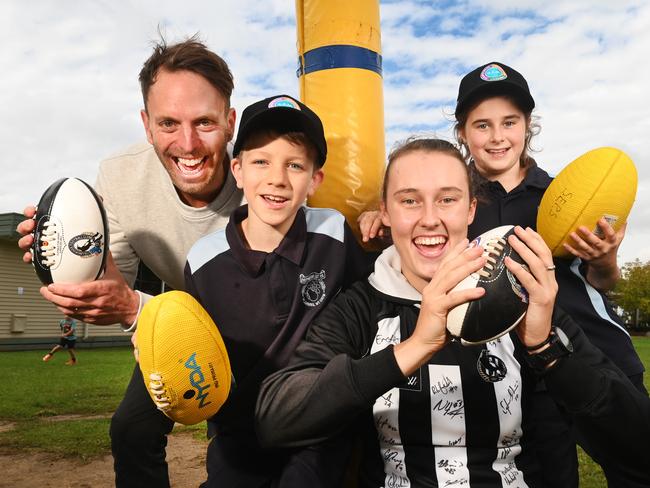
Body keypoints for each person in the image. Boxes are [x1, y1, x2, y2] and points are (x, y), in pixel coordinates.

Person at [256, 138, 650, 488]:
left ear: (471, 210)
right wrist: (416, 346)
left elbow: (636, 447)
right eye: (409, 200)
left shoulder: (521, 297)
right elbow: (277, 419)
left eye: (448, 199)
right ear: (386, 212)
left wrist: (546, 349)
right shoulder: (361, 307)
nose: (430, 218)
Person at [358, 62, 647, 486]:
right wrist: (380, 215)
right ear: (463, 132)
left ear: (528, 125)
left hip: (587, 350)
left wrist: (604, 257)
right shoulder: (457, 204)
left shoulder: (561, 197)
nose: (497, 137)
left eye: (509, 122)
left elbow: (602, 283)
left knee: (633, 460)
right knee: (549, 467)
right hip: (519, 363)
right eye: (482, 125)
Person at [17, 37, 243, 487]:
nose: (188, 143)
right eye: (168, 123)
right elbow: (111, 287)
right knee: (132, 430)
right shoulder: (119, 176)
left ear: (230, 122)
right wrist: (67, 264)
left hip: (261, 323)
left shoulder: (260, 170)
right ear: (146, 124)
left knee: (247, 440)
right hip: (178, 324)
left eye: (204, 122)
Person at [183, 94, 375, 487]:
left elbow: (373, 302)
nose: (277, 178)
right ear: (236, 170)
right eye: (261, 162)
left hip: (317, 428)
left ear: (315, 179)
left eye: (295, 165)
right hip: (240, 432)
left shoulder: (333, 233)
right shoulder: (203, 260)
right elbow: (192, 351)